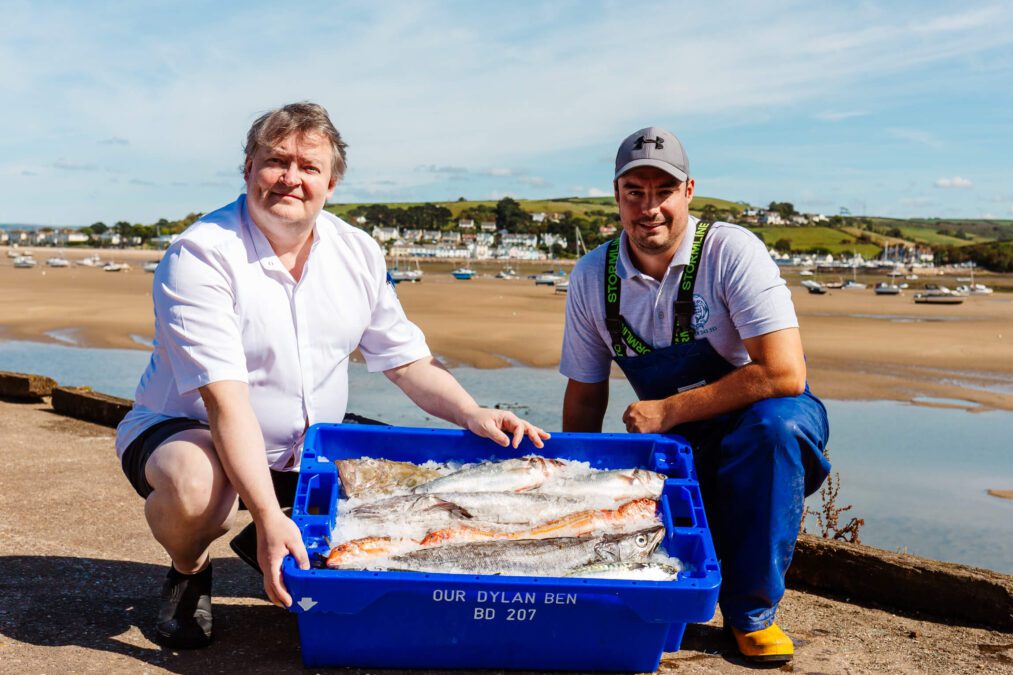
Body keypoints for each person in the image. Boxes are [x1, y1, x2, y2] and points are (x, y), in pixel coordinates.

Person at [115, 102, 549, 649]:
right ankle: (189, 566)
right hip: (188, 432)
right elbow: (226, 403)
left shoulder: (357, 251)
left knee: (418, 485)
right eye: (276, 161)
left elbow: (407, 363)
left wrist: (472, 411)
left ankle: (270, 533)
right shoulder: (200, 255)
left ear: (331, 181)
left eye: (309, 166)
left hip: (308, 444)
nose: (291, 178)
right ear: (248, 167)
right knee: (197, 486)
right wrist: (272, 514)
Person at [558, 127, 829, 663]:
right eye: (634, 191)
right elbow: (585, 396)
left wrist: (669, 409)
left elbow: (784, 373)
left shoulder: (730, 251)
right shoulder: (592, 276)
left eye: (663, 190)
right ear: (617, 196)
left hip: (765, 421)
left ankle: (751, 614)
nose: (648, 206)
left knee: (772, 431)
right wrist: (573, 483)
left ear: (689, 192)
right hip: (680, 438)